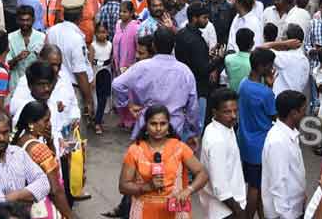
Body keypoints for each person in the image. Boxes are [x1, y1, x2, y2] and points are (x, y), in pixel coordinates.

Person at [118, 105, 208, 219]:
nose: (158, 128)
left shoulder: (179, 148)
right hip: (144, 212)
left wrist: (188, 190)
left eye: (163, 124)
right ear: (146, 125)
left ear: (168, 125)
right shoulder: (135, 150)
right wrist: (147, 187)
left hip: (174, 212)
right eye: (153, 124)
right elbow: (123, 186)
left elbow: (203, 173)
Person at [0, 112, 52, 219]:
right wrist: (29, 195)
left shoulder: (18, 153)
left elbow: (44, 183)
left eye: (5, 132)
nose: (1, 138)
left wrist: (15, 195)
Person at [12, 101, 74, 219]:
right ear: (31, 124)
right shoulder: (39, 150)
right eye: (46, 120)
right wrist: (70, 216)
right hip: (44, 208)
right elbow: (55, 190)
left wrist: (49, 141)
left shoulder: (20, 142)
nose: (49, 124)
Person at [237, 48, 277, 219]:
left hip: (245, 141)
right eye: (270, 65)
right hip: (259, 145)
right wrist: (270, 87)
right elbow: (275, 115)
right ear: (262, 67)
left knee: (257, 186)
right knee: (256, 187)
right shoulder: (265, 93)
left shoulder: (243, 83)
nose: (272, 68)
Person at [173, 2, 223, 132]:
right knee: (196, 124)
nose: (207, 21)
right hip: (197, 87)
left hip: (182, 84)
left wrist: (206, 55)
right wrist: (219, 59)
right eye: (204, 18)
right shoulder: (195, 40)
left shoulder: (182, 34)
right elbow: (203, 69)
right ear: (194, 18)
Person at [199, 88, 247, 219]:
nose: (233, 115)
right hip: (225, 211)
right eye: (227, 112)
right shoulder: (217, 140)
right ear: (215, 112)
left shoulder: (225, 127)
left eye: (235, 110)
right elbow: (220, 187)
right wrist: (239, 212)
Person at [46, 0, 95, 119]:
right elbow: (80, 72)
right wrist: (89, 100)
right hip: (73, 91)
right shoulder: (76, 38)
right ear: (80, 15)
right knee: (76, 133)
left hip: (54, 88)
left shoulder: (52, 31)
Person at [261, 90, 307, 219]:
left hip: (294, 206)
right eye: (303, 110)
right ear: (293, 113)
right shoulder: (278, 141)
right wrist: (287, 215)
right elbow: (278, 184)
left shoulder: (290, 133)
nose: (305, 114)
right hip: (284, 213)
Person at [7, 5, 45, 92]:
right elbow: (7, 65)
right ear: (17, 20)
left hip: (35, 86)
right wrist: (17, 58)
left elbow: (46, 64)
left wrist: (39, 57)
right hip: (16, 86)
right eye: (22, 20)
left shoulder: (42, 38)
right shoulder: (10, 38)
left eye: (28, 20)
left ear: (33, 20)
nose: (25, 23)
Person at [92, 22, 113, 134]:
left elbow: (110, 60)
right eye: (99, 32)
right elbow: (90, 63)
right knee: (98, 98)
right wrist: (92, 78)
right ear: (95, 33)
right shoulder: (93, 46)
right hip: (96, 73)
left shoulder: (110, 45)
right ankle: (97, 122)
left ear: (107, 33)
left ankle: (98, 119)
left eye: (104, 32)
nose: (101, 35)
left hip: (106, 72)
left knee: (104, 98)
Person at [224, 27, 253, 92]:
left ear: (236, 42)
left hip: (233, 97)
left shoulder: (228, 59)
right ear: (252, 43)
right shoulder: (254, 62)